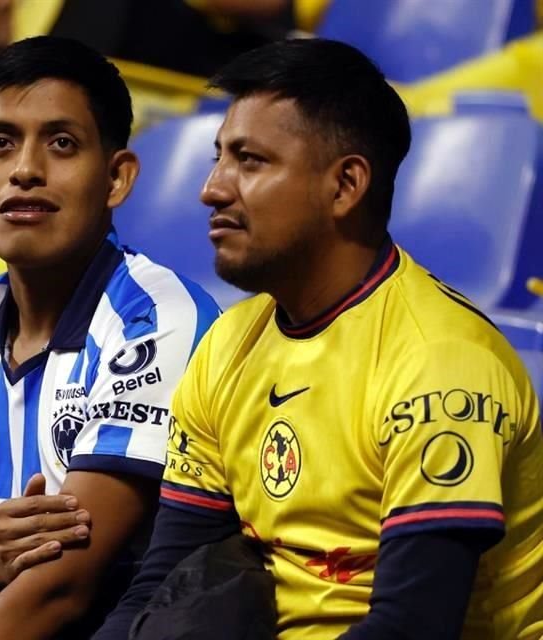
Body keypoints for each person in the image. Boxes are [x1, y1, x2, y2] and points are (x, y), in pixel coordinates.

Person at [96, 38, 543, 639]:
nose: (213, 189)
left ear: (345, 186)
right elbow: (165, 583)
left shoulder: (441, 363)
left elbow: (413, 628)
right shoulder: (228, 346)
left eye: (250, 161)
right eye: (217, 158)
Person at [0, 36, 220, 639]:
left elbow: (63, 587)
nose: (25, 170)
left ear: (117, 178)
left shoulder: (157, 318)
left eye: (62, 143)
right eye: (0, 144)